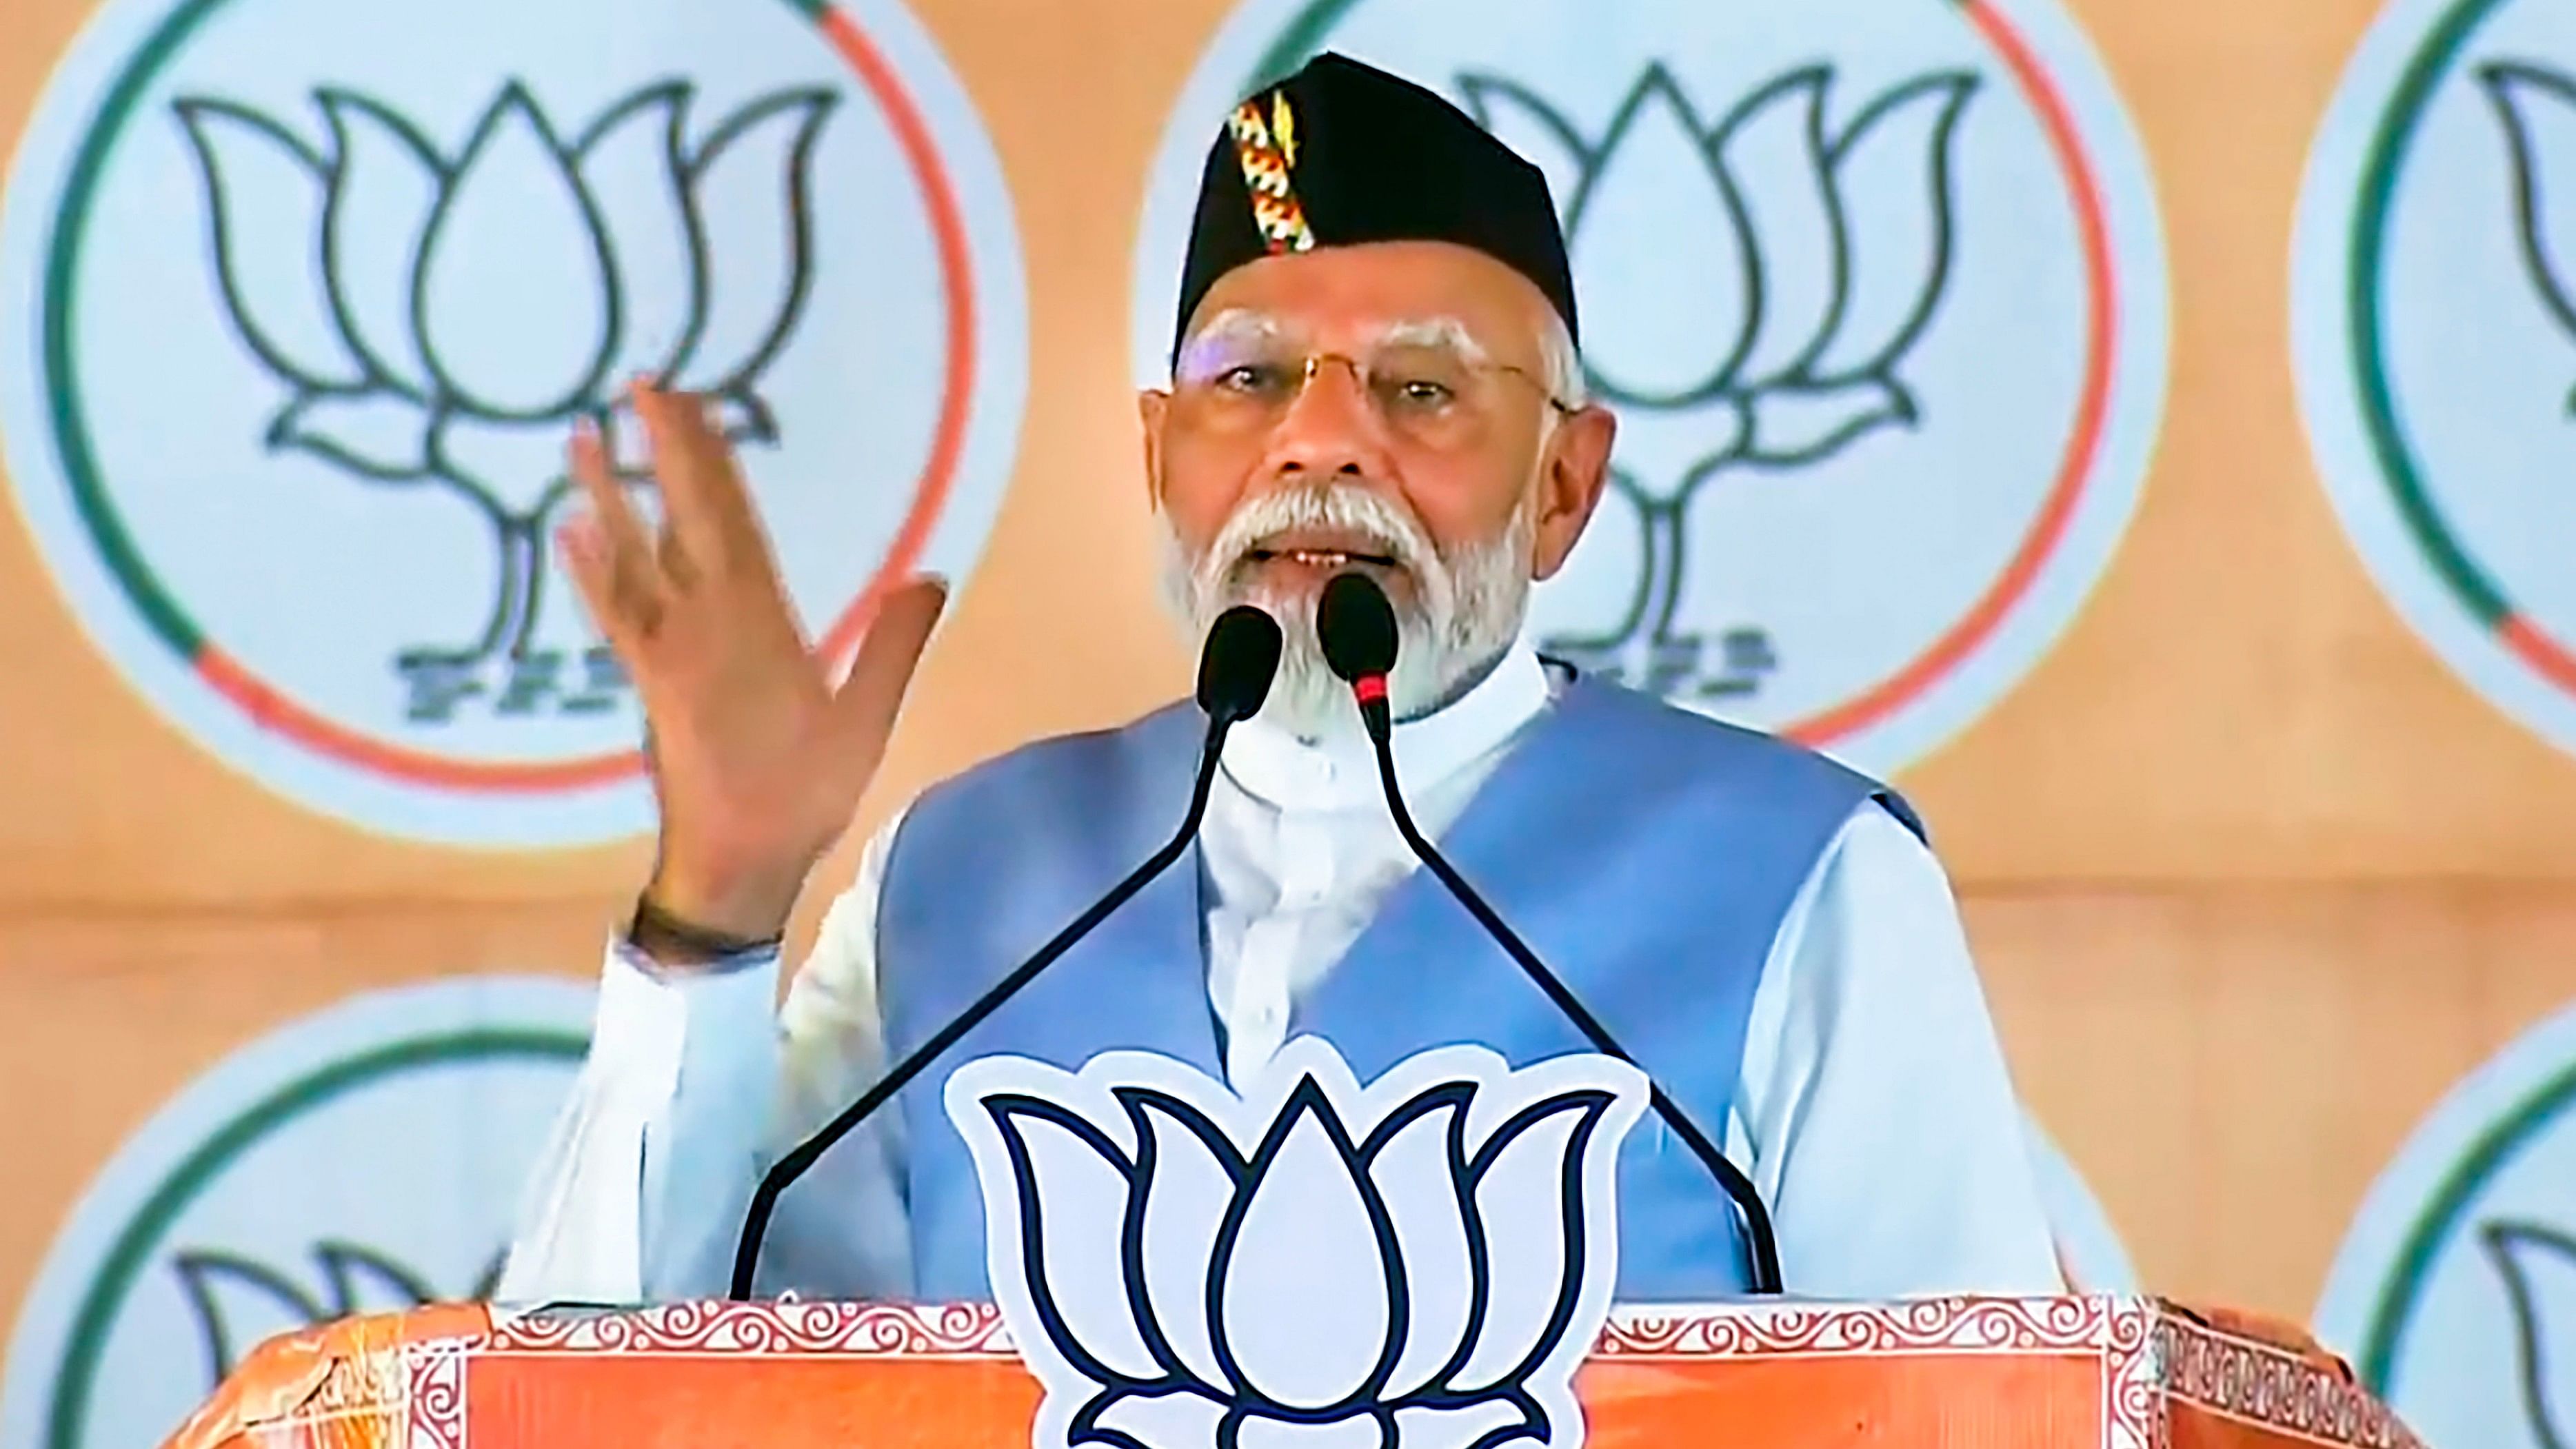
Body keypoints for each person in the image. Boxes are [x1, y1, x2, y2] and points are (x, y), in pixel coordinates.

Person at [497, 52, 2060, 1306]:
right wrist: (712, 914)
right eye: (1247, 381)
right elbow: (605, 1401)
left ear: (1563, 487)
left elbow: (1984, 1414)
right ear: (1162, 455)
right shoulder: (952, 890)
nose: (1319, 440)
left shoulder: (1796, 878)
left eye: (1421, 388)